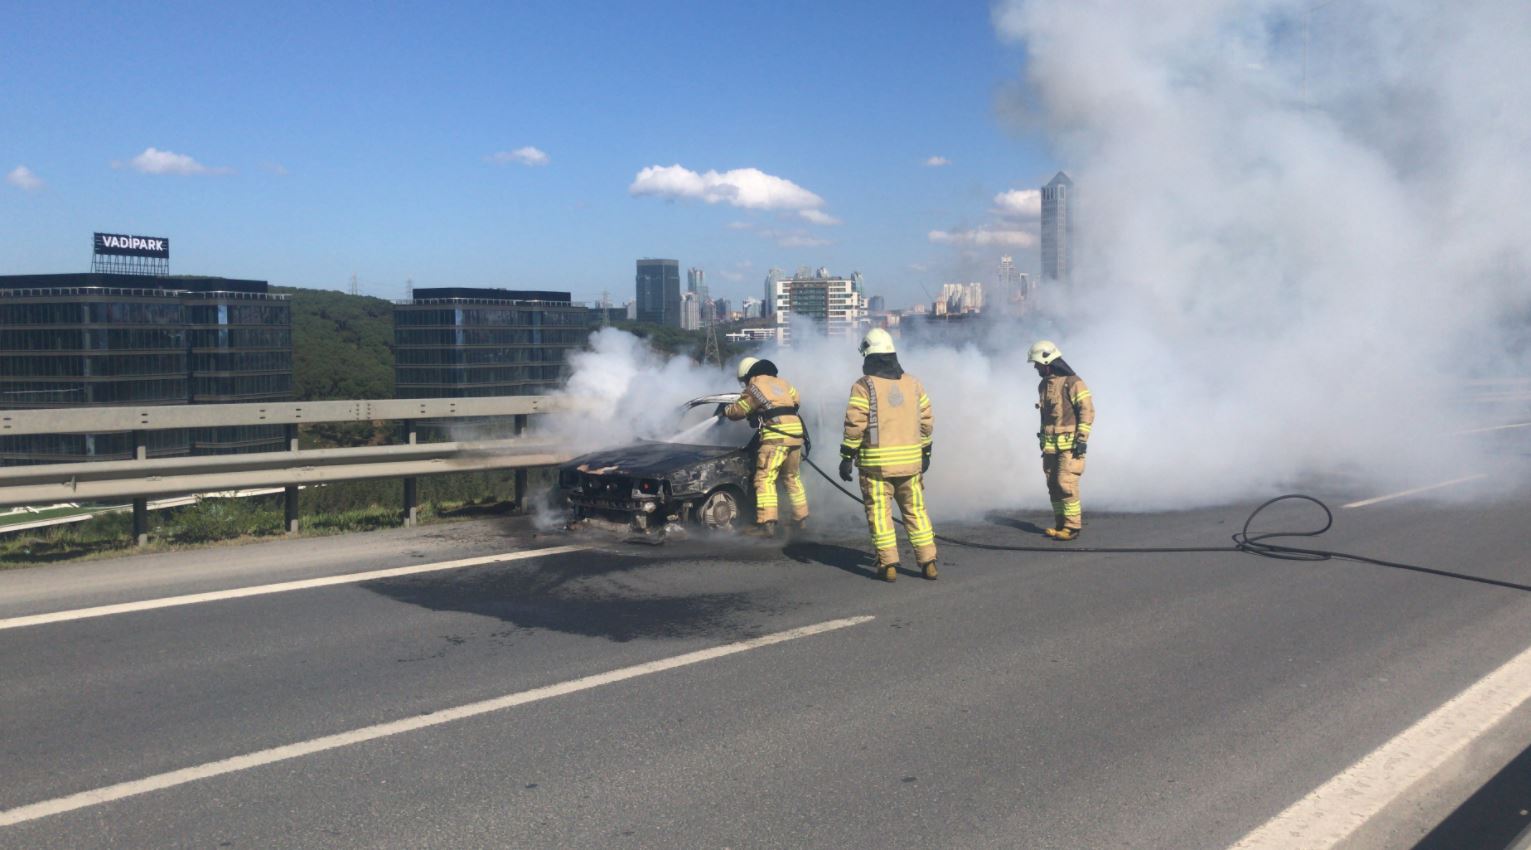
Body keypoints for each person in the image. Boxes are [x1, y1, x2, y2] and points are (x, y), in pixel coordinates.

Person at [838, 329, 937, 581]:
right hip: (911, 465)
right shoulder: (913, 383)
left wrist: (847, 456)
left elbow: (855, 424)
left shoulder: (864, 386)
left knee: (880, 515)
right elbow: (926, 421)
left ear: (869, 356)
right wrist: (925, 450)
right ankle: (928, 561)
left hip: (876, 467)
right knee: (916, 511)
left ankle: (888, 565)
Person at [723, 356, 808, 538]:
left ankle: (765, 524)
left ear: (748, 375)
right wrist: (768, 410)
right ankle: (800, 520)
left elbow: (738, 411)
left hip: (776, 436)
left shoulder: (754, 387)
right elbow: (796, 400)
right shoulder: (784, 383)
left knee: (764, 479)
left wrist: (726, 410)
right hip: (795, 434)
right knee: (792, 477)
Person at [1028, 340, 1094, 541]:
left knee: (1065, 483)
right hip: (1050, 447)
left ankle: (1072, 527)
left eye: (1037, 363)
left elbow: (1087, 410)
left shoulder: (1073, 382)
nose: (1036, 367)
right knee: (1053, 484)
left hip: (1070, 446)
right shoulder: (1043, 385)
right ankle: (1060, 523)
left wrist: (1082, 438)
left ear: (1047, 361)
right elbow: (1045, 417)